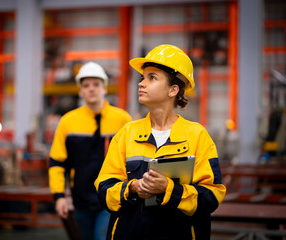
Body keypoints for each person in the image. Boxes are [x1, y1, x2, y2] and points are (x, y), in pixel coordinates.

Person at [94, 44, 226, 240]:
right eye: (142, 78)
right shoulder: (127, 134)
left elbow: (212, 196)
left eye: (152, 78)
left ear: (173, 90)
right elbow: (104, 189)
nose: (141, 83)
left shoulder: (197, 136)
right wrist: (132, 188)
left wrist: (169, 189)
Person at [48, 61, 132, 240]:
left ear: (105, 88)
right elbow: (57, 162)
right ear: (80, 91)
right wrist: (59, 196)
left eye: (96, 84)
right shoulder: (68, 122)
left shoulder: (123, 121)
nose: (91, 89)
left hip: (112, 199)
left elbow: (133, 159)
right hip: (81, 200)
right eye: (86, 85)